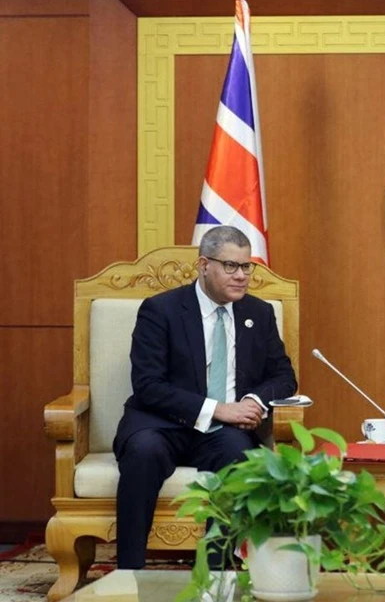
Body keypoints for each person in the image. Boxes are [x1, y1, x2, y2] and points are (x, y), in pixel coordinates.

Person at [113, 225, 297, 569]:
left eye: (246, 267)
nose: (241, 276)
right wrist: (218, 409)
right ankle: (129, 572)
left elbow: (284, 376)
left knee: (239, 454)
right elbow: (148, 385)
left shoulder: (258, 313)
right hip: (162, 423)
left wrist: (254, 402)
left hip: (223, 434)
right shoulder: (160, 310)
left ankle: (217, 575)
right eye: (230, 266)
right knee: (143, 452)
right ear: (203, 265)